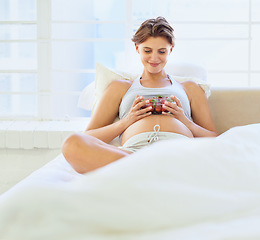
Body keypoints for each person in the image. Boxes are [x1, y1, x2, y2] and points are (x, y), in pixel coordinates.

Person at [62, 17, 218, 174]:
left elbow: (215, 139)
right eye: (147, 51)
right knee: (72, 144)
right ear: (137, 48)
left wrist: (185, 121)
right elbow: (89, 136)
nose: (154, 58)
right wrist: (126, 122)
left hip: (179, 151)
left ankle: (147, 171)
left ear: (170, 50)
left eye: (162, 51)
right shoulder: (119, 87)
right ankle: (153, 170)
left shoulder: (191, 88)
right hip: (133, 154)